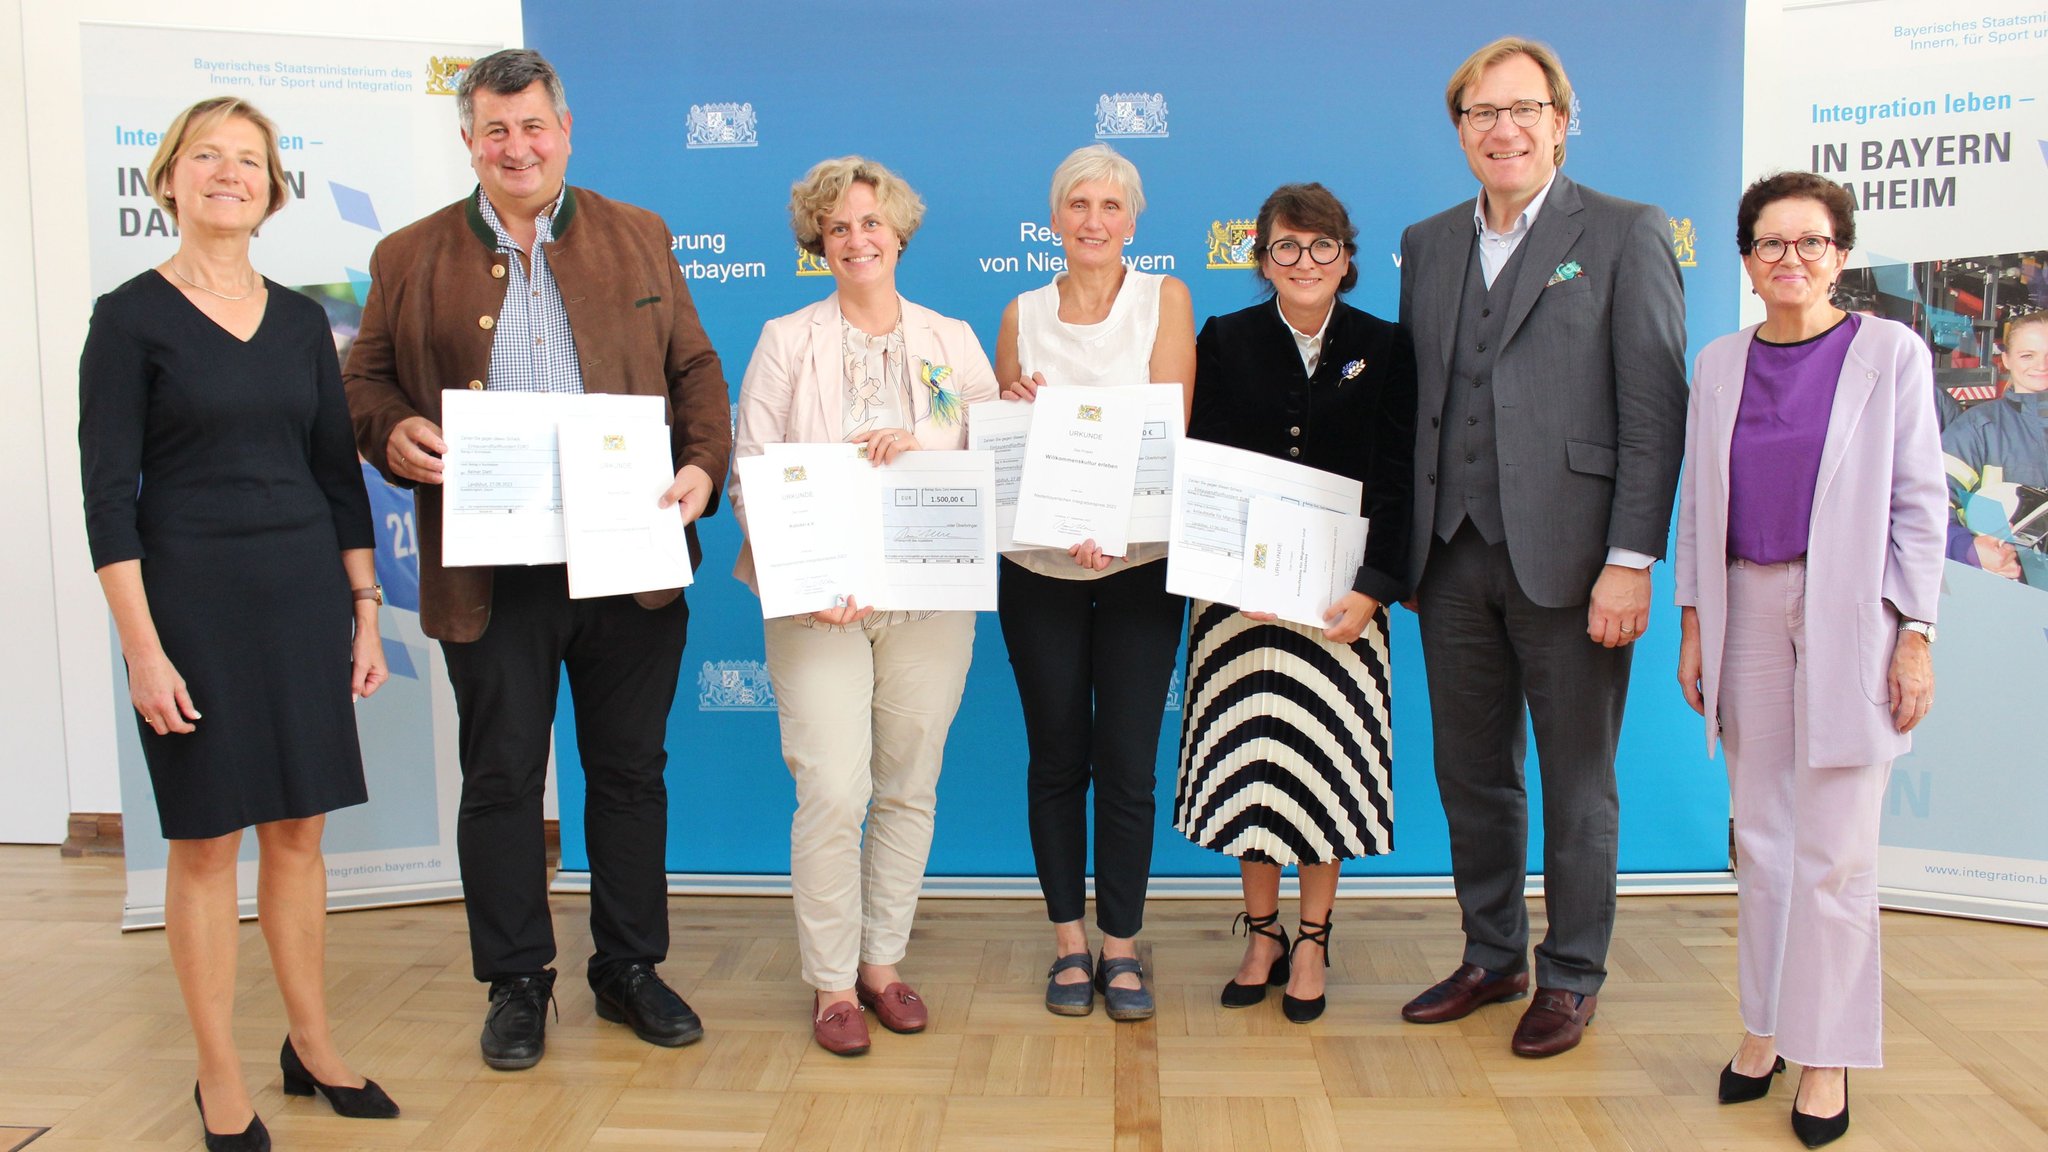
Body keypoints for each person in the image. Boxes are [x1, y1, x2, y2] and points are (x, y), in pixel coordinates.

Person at [344, 49, 732, 1071]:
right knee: (504, 777)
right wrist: (388, 431)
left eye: (533, 127)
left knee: (628, 774)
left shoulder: (638, 235)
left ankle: (628, 969)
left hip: (630, 555)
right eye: (494, 130)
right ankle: (517, 981)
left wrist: (700, 468)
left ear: (565, 131)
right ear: (467, 140)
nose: (516, 147)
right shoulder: (408, 253)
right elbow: (364, 380)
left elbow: (694, 366)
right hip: (490, 566)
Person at [79, 96, 399, 1151]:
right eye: (206, 157)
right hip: (191, 609)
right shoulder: (128, 316)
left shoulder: (306, 319)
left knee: (300, 832)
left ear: (273, 187)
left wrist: (363, 612)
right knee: (207, 842)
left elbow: (336, 478)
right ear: (167, 177)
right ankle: (219, 1073)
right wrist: (142, 647)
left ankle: (309, 1044)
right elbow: (107, 497)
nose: (228, 173)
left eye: (249, 160)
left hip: (304, 597)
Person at [1395, 36, 1688, 1058]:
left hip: (1575, 562)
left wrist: (1630, 558)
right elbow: (1419, 408)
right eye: (1481, 113)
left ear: (1561, 121)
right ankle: (1491, 954)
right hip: (1450, 555)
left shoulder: (1622, 232)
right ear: (1460, 129)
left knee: (1575, 779)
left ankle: (1570, 975)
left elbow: (1652, 409)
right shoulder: (1426, 243)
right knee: (1469, 772)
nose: (1502, 128)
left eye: (1522, 110)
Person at [1676, 170, 1944, 1147]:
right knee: (1763, 841)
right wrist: (1693, 618)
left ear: (1839, 253)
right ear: (1745, 262)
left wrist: (1913, 631)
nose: (1790, 260)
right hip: (1743, 599)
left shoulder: (1889, 355)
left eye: (1810, 242)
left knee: (1835, 851)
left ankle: (1824, 1053)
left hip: (1851, 611)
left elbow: (1920, 503)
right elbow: (1698, 502)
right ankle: (1763, 1028)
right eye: (1769, 244)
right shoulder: (1716, 363)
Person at [730, 156, 997, 1056]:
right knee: (835, 791)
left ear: (899, 232)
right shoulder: (785, 338)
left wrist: (920, 439)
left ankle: (883, 965)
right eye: (837, 227)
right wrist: (808, 574)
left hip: (928, 598)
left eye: (870, 224)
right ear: (818, 240)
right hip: (819, 607)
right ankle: (833, 984)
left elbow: (985, 445)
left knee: (910, 784)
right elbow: (751, 471)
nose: (856, 240)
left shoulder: (951, 342)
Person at [1174, 183, 1415, 1024]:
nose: (1304, 262)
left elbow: (1399, 481)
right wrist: (1226, 577)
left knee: (1321, 776)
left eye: (1321, 248)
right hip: (1237, 607)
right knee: (1251, 769)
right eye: (1286, 247)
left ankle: (1314, 937)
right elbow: (1199, 467)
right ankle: (1263, 930)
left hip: (1343, 606)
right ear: (1262, 258)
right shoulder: (1225, 339)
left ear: (1346, 259)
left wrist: (1373, 589)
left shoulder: (1385, 346)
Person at [994, 143, 1197, 1021]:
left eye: (1111, 206)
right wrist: (1016, 406)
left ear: (1134, 220)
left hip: (1142, 563)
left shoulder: (1167, 298)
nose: (1094, 221)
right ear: (1054, 219)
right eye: (1078, 204)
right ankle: (1067, 944)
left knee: (1126, 763)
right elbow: (1003, 432)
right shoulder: (1021, 312)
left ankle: (1122, 946)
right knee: (1054, 756)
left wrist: (1108, 522)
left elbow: (1170, 426)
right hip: (1038, 564)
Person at [1941, 311, 2048, 582]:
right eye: (2028, 355)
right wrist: (1967, 548)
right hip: (2005, 592)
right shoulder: (1978, 428)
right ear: (2006, 360)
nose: (2042, 365)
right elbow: (1927, 501)